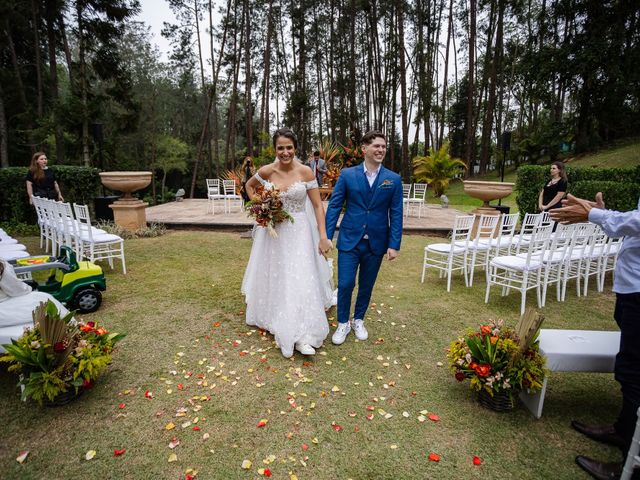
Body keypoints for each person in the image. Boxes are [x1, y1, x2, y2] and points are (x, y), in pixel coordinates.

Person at [550, 193, 640, 480]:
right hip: (630, 287)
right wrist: (603, 213)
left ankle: (631, 465)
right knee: (629, 366)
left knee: (633, 371)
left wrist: (594, 215)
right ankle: (624, 430)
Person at [241, 128, 334, 358]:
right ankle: (280, 319)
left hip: (300, 232)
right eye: (280, 148)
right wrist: (261, 205)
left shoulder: (305, 173)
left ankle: (303, 334)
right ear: (275, 149)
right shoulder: (267, 171)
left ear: (295, 148)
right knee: (279, 274)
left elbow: (317, 207)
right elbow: (249, 187)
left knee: (300, 276)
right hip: (275, 234)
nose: (285, 152)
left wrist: (323, 236)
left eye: (289, 147)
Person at [325, 130, 403, 345]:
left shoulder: (393, 179)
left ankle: (358, 319)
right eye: (376, 146)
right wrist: (327, 236)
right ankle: (343, 323)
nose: (381, 150)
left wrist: (394, 244)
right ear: (364, 149)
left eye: (383, 147)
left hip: (377, 242)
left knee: (366, 285)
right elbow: (334, 206)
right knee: (347, 282)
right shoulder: (348, 175)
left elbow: (396, 212)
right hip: (350, 239)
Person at [0, 258, 73, 349]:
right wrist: (28, 287)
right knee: (45, 300)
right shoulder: (2, 264)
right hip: (3, 306)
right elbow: (16, 290)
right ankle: (72, 334)